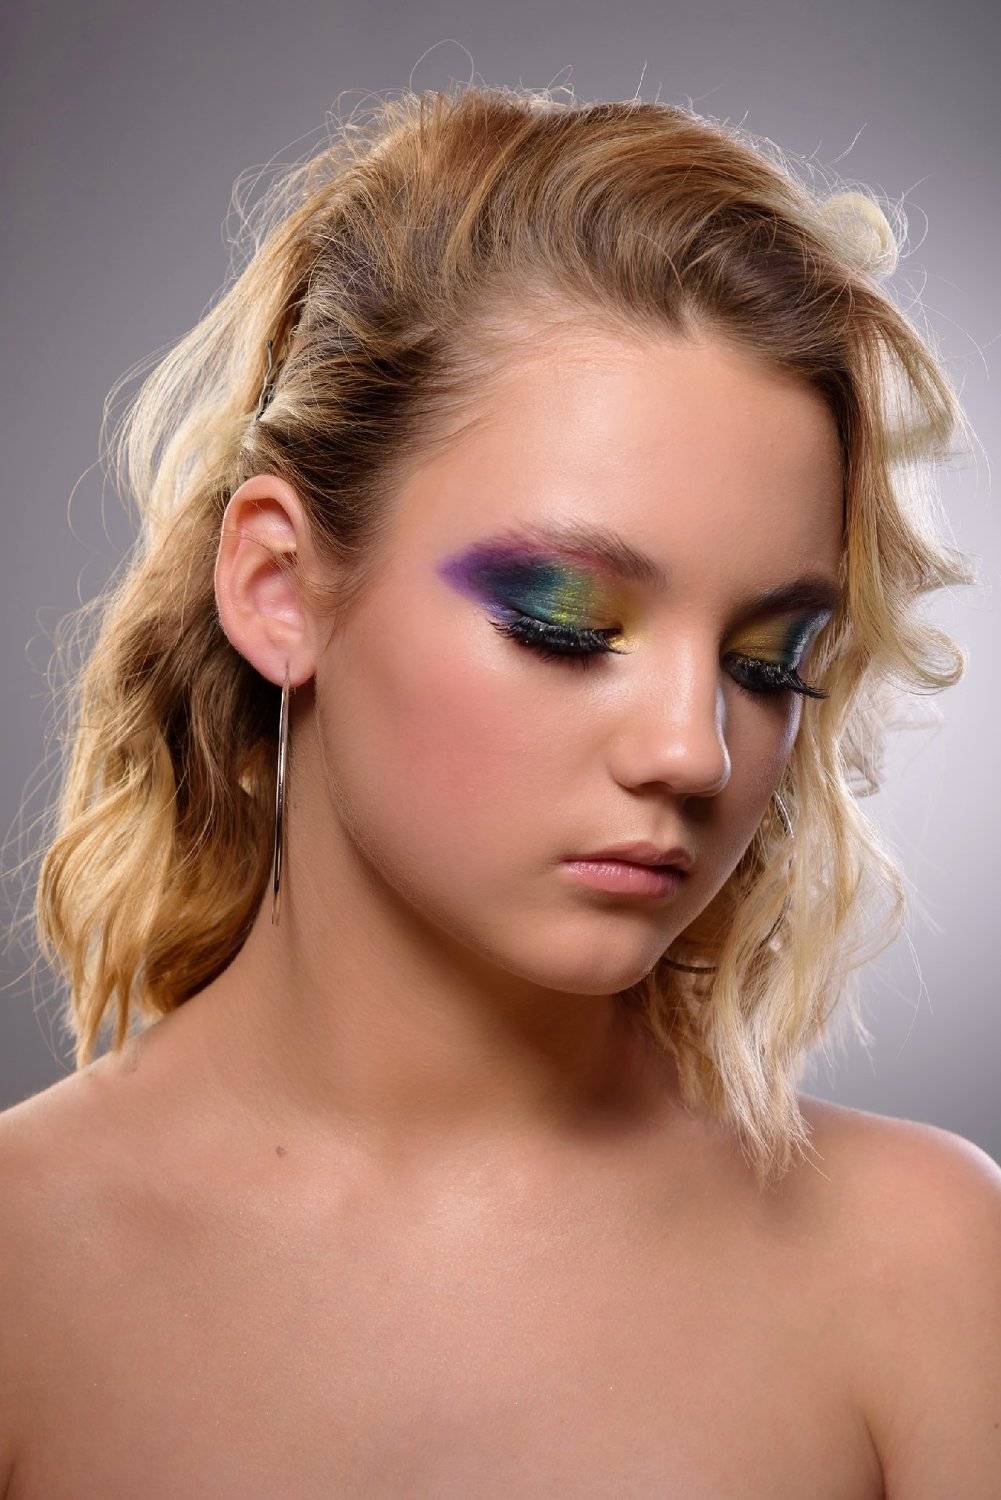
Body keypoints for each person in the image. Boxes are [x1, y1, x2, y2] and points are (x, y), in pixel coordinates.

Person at [1, 82, 998, 1498]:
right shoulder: (24, 1276)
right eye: (564, 623)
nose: (693, 752)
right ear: (279, 585)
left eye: (767, 659)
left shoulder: (923, 1268)